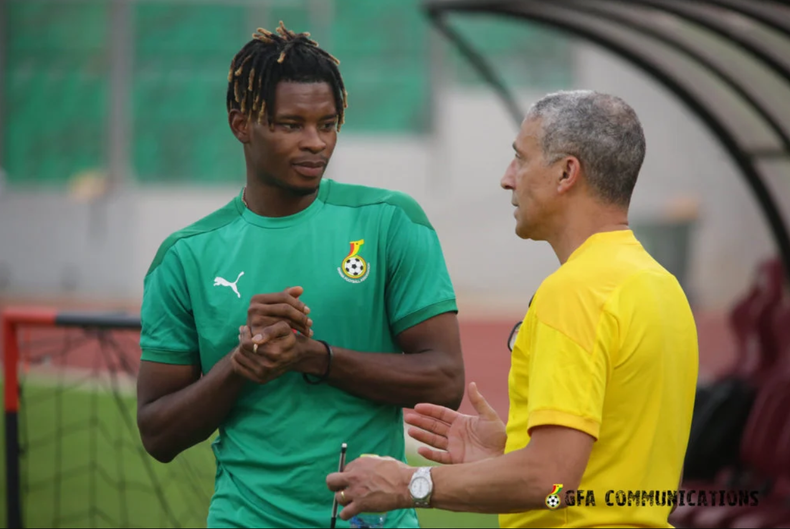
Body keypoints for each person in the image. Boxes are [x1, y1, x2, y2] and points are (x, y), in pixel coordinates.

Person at [135, 22, 465, 529]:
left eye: (328, 124)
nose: (316, 143)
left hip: (374, 521)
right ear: (241, 123)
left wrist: (315, 357)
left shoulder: (389, 221)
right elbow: (158, 434)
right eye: (291, 125)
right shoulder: (186, 256)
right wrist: (242, 364)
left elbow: (444, 380)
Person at [325, 90, 699, 528]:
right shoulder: (662, 287)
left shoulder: (576, 292)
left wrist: (410, 484)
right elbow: (591, 474)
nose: (507, 179)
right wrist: (510, 453)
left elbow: (551, 482)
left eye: (520, 159)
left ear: (566, 173)